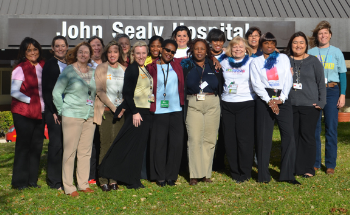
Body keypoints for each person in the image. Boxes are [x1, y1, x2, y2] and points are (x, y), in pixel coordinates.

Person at [99, 41, 153, 189]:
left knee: (137, 148)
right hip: (137, 112)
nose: (141, 56)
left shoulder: (144, 69)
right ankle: (125, 178)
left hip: (145, 111)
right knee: (131, 147)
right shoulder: (133, 69)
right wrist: (134, 112)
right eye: (138, 53)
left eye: (143, 53)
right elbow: (128, 93)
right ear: (133, 54)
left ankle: (133, 178)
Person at [250, 32, 300, 185]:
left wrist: (282, 98)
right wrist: (269, 101)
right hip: (264, 98)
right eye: (266, 43)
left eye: (272, 43)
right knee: (264, 137)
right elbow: (256, 83)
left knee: (289, 135)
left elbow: (287, 78)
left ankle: (287, 174)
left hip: (282, 98)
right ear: (261, 45)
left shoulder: (283, 58)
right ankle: (263, 175)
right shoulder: (256, 62)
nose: (270, 45)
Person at [53, 42, 96, 197]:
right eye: (81, 52)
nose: (83, 54)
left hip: (89, 116)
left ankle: (83, 184)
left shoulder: (93, 71)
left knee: (85, 152)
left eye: (86, 52)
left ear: (90, 55)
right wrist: (61, 110)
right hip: (71, 115)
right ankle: (69, 187)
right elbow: (56, 92)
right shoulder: (69, 71)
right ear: (76, 54)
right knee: (70, 152)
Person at [181, 39, 223, 185]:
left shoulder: (214, 65)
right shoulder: (185, 65)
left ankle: (206, 173)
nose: (199, 51)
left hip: (213, 103)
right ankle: (195, 174)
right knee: (194, 138)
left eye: (202, 49)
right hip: (193, 104)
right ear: (192, 50)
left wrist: (214, 58)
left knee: (209, 139)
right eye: (196, 49)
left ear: (207, 51)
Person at [284, 31, 326, 178]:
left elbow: (321, 83)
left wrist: (322, 102)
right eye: (295, 42)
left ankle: (308, 168)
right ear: (291, 44)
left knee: (307, 137)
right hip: (290, 105)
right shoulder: (284, 60)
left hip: (310, 105)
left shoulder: (314, 61)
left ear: (306, 45)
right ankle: (295, 167)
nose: (298, 45)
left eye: (302, 42)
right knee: (293, 137)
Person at [308, 21, 347, 175]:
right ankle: (316, 162)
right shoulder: (311, 52)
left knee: (331, 128)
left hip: (332, 91)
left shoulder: (337, 52)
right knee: (314, 129)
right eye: (320, 33)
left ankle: (330, 164)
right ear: (317, 36)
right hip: (316, 91)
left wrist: (342, 94)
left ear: (330, 35)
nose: (323, 35)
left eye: (325, 33)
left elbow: (343, 75)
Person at [146, 39, 184, 187]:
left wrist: (214, 58)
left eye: (173, 52)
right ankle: (159, 176)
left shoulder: (179, 65)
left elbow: (198, 57)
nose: (170, 53)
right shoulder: (151, 67)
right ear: (161, 49)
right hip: (158, 111)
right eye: (167, 50)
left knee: (176, 144)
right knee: (159, 144)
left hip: (176, 110)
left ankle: (171, 176)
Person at [218, 36, 256, 183]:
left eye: (241, 46)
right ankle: (234, 171)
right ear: (230, 49)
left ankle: (245, 172)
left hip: (246, 103)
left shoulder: (252, 62)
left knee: (244, 140)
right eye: (234, 47)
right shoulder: (224, 62)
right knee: (230, 139)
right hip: (227, 104)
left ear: (246, 48)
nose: (238, 49)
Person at [10, 37, 45, 190]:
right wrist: (31, 100)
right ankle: (19, 182)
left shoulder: (43, 66)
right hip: (23, 113)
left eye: (35, 49)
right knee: (23, 147)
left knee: (36, 147)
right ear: (24, 52)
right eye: (29, 50)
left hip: (41, 112)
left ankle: (32, 180)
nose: (32, 52)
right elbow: (14, 92)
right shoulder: (20, 68)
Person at [93, 40, 126, 191]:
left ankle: (113, 179)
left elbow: (128, 91)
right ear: (107, 53)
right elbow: (99, 91)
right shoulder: (101, 68)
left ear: (119, 53)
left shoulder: (124, 69)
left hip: (121, 113)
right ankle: (102, 178)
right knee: (105, 145)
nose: (113, 54)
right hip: (106, 111)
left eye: (115, 51)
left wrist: (123, 107)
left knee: (117, 146)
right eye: (110, 52)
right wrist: (114, 108)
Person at [42, 36, 68, 190]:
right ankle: (54, 181)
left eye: (63, 46)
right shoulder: (50, 65)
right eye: (57, 46)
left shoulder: (69, 64)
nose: (60, 48)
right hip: (54, 113)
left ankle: (64, 178)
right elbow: (47, 91)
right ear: (52, 48)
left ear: (67, 47)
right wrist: (53, 111)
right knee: (56, 145)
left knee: (66, 145)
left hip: (68, 111)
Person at [207, 28, 226, 171]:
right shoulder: (206, 56)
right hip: (209, 98)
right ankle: (208, 160)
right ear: (210, 42)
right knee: (209, 131)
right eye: (215, 40)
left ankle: (219, 162)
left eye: (220, 40)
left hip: (225, 98)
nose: (217, 43)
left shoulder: (228, 56)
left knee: (223, 132)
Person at [87, 36, 105, 185]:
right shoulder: (85, 66)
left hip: (107, 108)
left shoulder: (109, 64)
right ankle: (91, 175)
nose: (96, 48)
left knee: (104, 141)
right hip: (91, 108)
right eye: (93, 46)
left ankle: (103, 173)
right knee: (92, 143)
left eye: (99, 45)